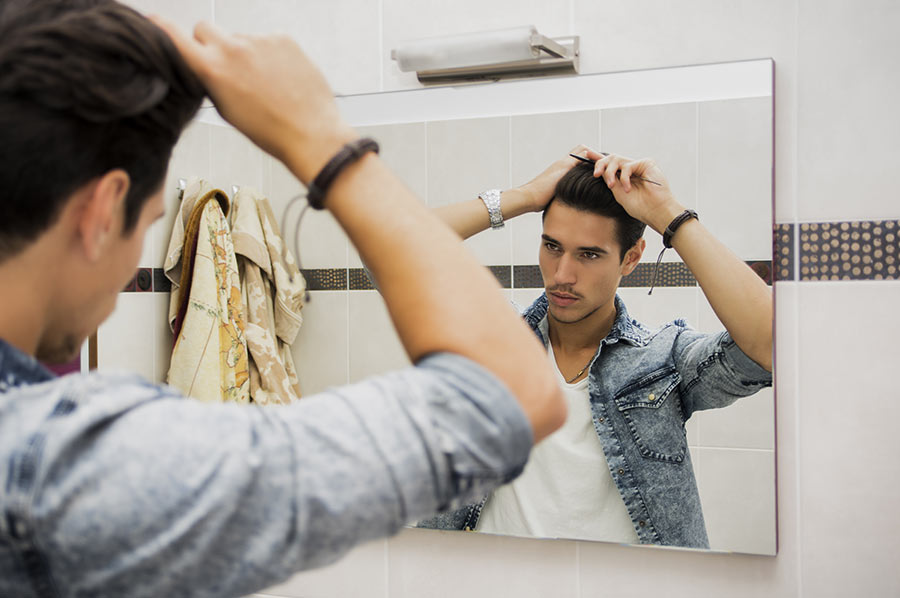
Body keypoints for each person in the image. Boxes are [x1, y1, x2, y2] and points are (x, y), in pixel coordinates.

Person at [0, 1, 566, 596]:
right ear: (100, 211)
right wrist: (321, 138)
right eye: (144, 224)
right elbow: (513, 396)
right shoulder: (66, 465)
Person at [419, 149, 773, 548]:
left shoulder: (662, 360)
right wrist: (526, 195)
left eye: (589, 254)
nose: (562, 275)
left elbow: (771, 346)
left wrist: (668, 214)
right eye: (552, 247)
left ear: (631, 258)